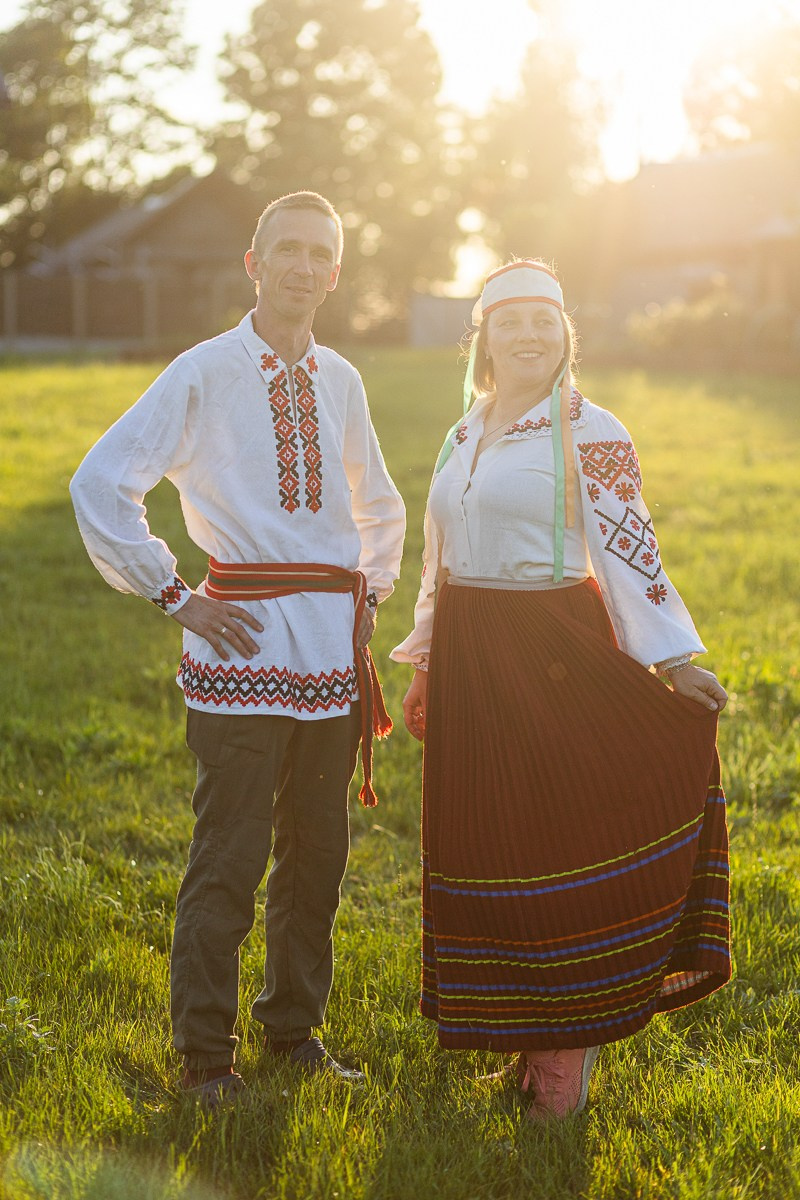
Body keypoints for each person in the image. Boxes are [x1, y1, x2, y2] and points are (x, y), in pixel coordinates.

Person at [71, 191, 406, 1107]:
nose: (304, 267)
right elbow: (101, 484)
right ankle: (204, 1058)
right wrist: (177, 595)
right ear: (254, 263)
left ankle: (294, 1031)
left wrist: (369, 594)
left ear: (335, 275)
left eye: (321, 255)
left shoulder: (340, 380)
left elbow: (379, 502)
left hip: (331, 654)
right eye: (287, 250)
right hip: (246, 646)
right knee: (230, 853)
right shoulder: (205, 371)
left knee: (318, 854)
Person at [391, 259, 729, 1122]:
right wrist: (427, 662)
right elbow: (437, 563)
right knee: (487, 844)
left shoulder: (592, 427)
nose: (531, 334)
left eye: (546, 320)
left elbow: (631, 550)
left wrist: (673, 661)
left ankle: (564, 1055)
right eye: (511, 321)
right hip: (473, 656)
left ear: (565, 332)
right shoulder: (463, 431)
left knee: (551, 841)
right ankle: (518, 1035)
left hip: (554, 648)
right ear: (484, 338)